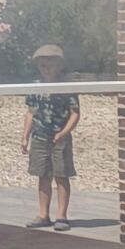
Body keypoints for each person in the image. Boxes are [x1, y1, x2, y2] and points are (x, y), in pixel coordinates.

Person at [24, 44, 80, 231]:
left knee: (61, 175)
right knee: (43, 175)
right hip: (39, 136)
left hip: (60, 137)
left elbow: (75, 113)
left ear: (60, 66)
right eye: (43, 66)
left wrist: (64, 132)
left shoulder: (66, 87)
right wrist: (25, 137)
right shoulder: (35, 86)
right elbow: (30, 112)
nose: (47, 69)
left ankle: (61, 215)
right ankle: (43, 214)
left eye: (51, 65)